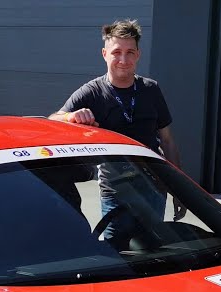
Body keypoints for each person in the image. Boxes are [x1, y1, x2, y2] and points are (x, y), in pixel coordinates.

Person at [50, 19, 184, 245]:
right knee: (116, 253)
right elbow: (52, 119)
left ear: (138, 54)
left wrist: (178, 189)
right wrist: (70, 117)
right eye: (116, 52)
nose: (123, 59)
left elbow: (168, 140)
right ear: (104, 54)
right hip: (115, 191)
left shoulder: (150, 89)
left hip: (154, 189)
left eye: (130, 52)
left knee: (154, 251)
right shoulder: (92, 92)